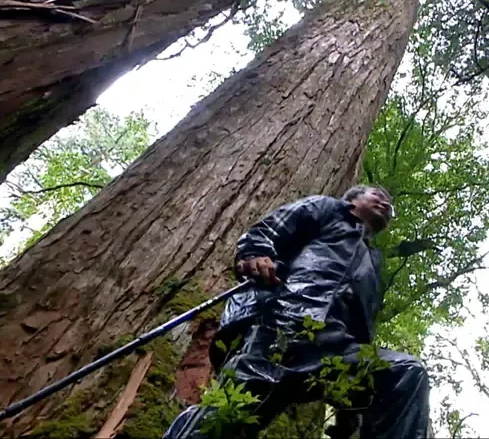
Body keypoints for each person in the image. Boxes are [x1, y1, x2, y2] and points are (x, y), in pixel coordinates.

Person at [162, 186, 430, 439]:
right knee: (230, 417)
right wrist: (255, 253)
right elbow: (270, 229)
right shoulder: (327, 208)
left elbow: (362, 324)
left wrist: (352, 406)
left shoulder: (373, 261)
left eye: (390, 205)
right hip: (282, 322)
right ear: (353, 200)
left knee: (404, 372)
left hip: (336, 349)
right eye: (377, 195)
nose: (386, 203)